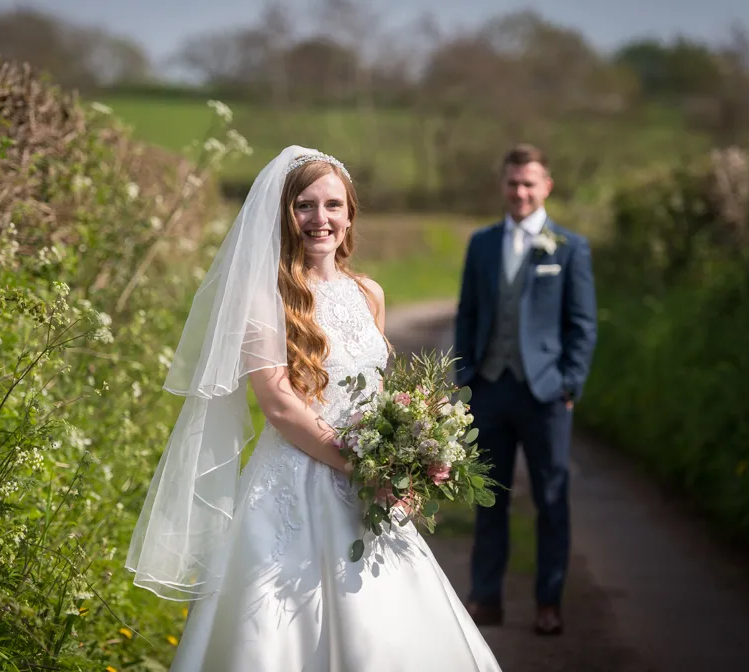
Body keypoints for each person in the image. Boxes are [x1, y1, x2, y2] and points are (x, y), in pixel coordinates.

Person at [127, 146, 502, 672]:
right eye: (304, 205)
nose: (319, 219)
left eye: (332, 206)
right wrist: (363, 468)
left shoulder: (369, 292)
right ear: (285, 214)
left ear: (350, 216)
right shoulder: (265, 297)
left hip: (372, 490)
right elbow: (279, 405)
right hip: (296, 483)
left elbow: (379, 393)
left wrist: (408, 454)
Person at [454, 143, 598, 636]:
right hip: (490, 388)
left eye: (529, 183)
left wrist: (570, 384)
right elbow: (467, 314)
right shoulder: (481, 243)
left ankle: (548, 602)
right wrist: (465, 377)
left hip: (546, 395)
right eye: (513, 182)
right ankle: (485, 598)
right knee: (488, 497)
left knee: (551, 500)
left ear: (546, 187)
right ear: (503, 185)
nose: (520, 191)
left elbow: (582, 324)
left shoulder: (569, 246)